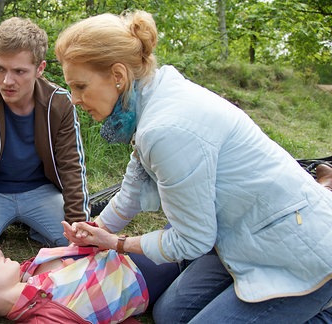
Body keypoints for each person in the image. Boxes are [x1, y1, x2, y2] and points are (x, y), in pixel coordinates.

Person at [54, 10, 332, 323]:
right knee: (172, 314)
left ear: (118, 75)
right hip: (244, 233)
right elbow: (133, 187)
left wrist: (118, 244)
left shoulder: (166, 128)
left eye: (80, 86)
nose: (75, 99)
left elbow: (192, 240)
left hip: (298, 251)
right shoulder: (152, 95)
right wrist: (96, 231)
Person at [0, 17, 90, 260]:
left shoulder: (59, 102)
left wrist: (79, 225)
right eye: (0, 69)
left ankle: (32, 226)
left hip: (41, 191)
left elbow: (72, 169)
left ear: (40, 69)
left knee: (79, 249)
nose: (7, 81)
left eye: (19, 71)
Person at [0, 222, 181, 324]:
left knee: (189, 227)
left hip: (122, 248)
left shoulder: (26, 273)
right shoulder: (43, 319)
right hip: (142, 274)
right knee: (195, 238)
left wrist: (84, 238)